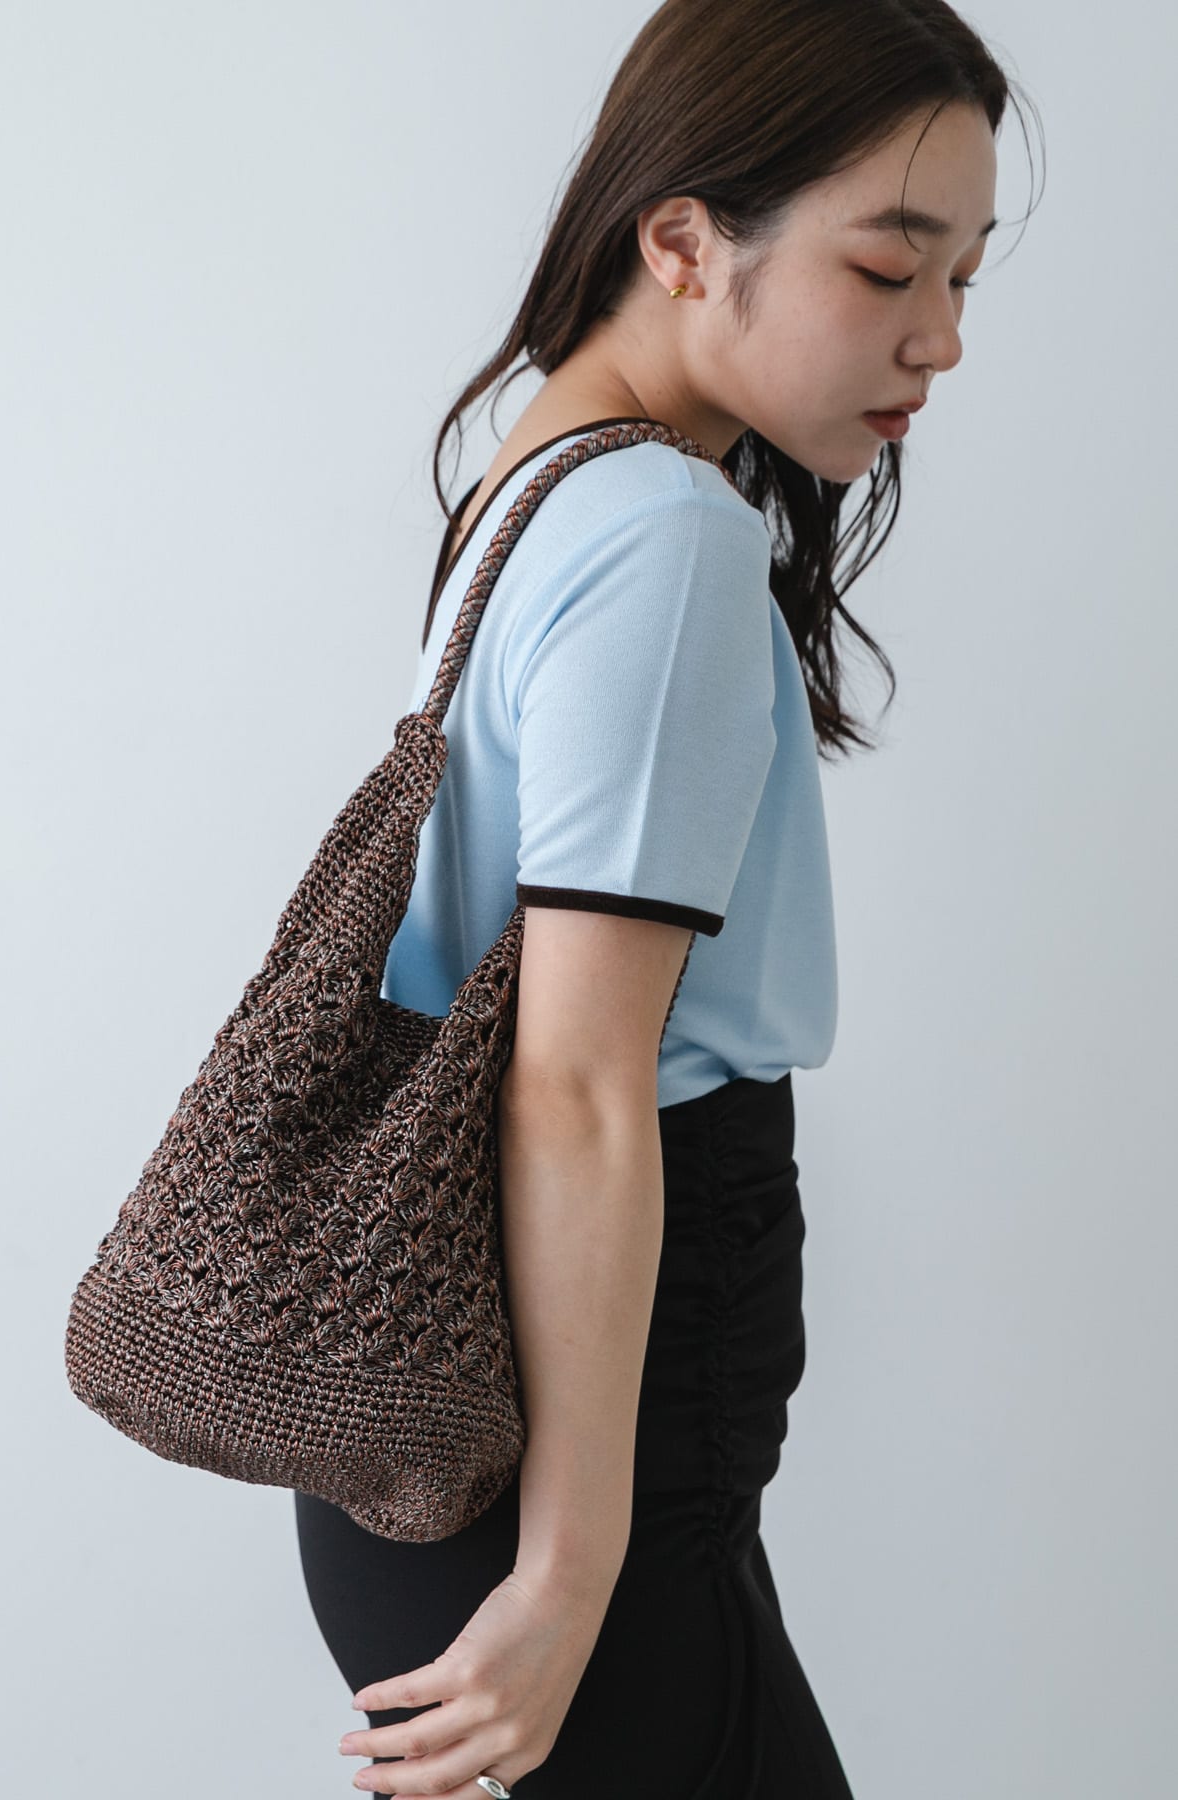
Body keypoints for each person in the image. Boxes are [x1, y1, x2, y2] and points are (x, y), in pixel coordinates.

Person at [293, 2, 1037, 1794]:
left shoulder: (536, 471)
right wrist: (572, 1574)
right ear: (685, 240)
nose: (940, 338)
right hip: (585, 1402)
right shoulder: (669, 538)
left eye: (965, 278)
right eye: (888, 267)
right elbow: (570, 1079)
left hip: (431, 1377)